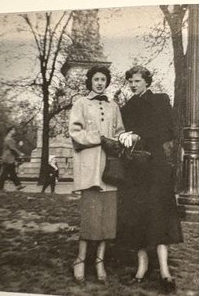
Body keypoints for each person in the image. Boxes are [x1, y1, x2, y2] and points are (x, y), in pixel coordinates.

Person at [117, 66, 183, 294]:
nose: (133, 85)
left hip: (156, 167)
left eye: (137, 80)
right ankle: (142, 266)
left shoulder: (161, 101)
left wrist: (140, 136)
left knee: (160, 215)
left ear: (146, 81)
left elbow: (169, 131)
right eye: (130, 82)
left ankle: (165, 271)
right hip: (135, 170)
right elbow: (121, 130)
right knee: (137, 217)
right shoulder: (128, 106)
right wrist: (123, 136)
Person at [68, 65, 125, 284]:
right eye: (96, 79)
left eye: (103, 79)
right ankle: (80, 260)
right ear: (90, 81)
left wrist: (121, 140)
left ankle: (100, 260)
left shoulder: (113, 106)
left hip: (110, 171)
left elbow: (120, 132)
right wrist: (99, 137)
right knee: (90, 219)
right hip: (90, 169)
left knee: (107, 221)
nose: (100, 82)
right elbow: (75, 132)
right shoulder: (80, 103)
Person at [0, 126, 26, 192]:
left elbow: (12, 148)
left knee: (12, 173)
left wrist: (19, 146)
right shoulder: (8, 139)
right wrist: (20, 153)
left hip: (9, 158)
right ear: (10, 131)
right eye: (14, 130)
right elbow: (12, 148)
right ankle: (0, 188)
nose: (15, 132)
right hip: (8, 158)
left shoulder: (9, 139)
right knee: (4, 174)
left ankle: (18, 185)